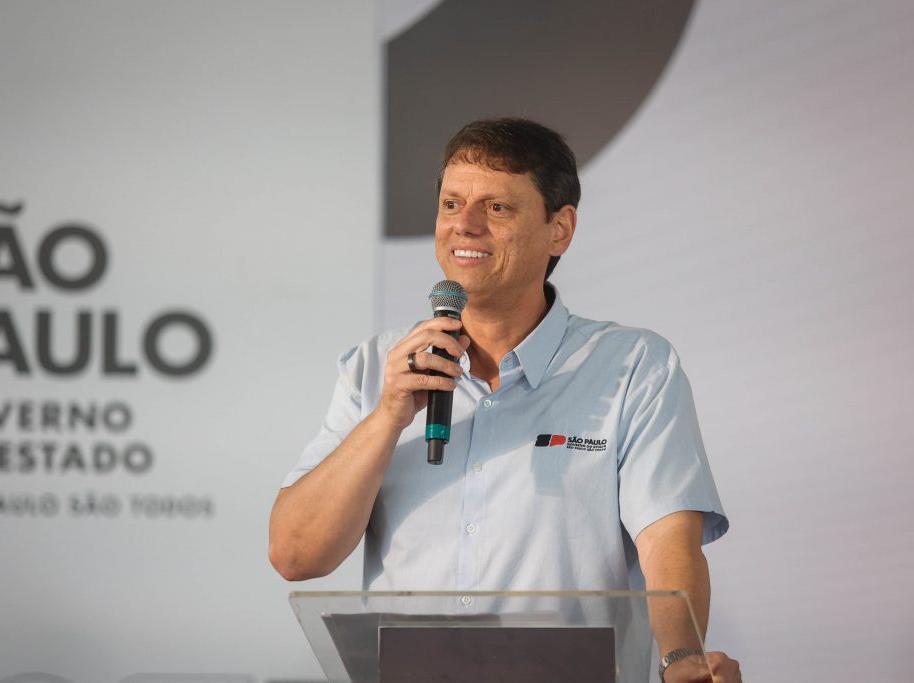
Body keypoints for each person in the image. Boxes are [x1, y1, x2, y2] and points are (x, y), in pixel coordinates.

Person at [269, 118, 741, 683]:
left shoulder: (632, 364)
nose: (463, 226)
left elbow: (669, 542)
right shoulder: (378, 367)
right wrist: (390, 415)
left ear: (559, 229)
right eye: (451, 204)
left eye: (496, 208)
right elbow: (297, 555)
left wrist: (682, 660)